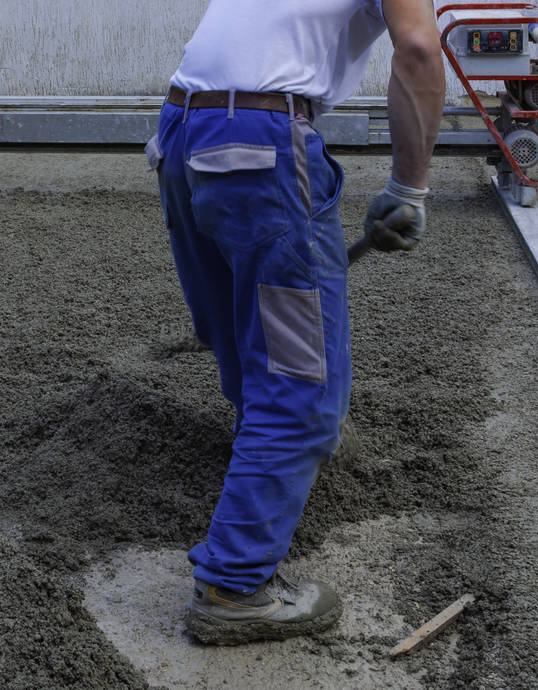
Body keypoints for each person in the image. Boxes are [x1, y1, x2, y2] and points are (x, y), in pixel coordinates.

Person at [147, 0, 444, 645]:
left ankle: (267, 454)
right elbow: (418, 51)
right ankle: (231, 587)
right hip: (257, 146)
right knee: (303, 383)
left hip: (182, 130)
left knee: (242, 329)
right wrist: (410, 186)